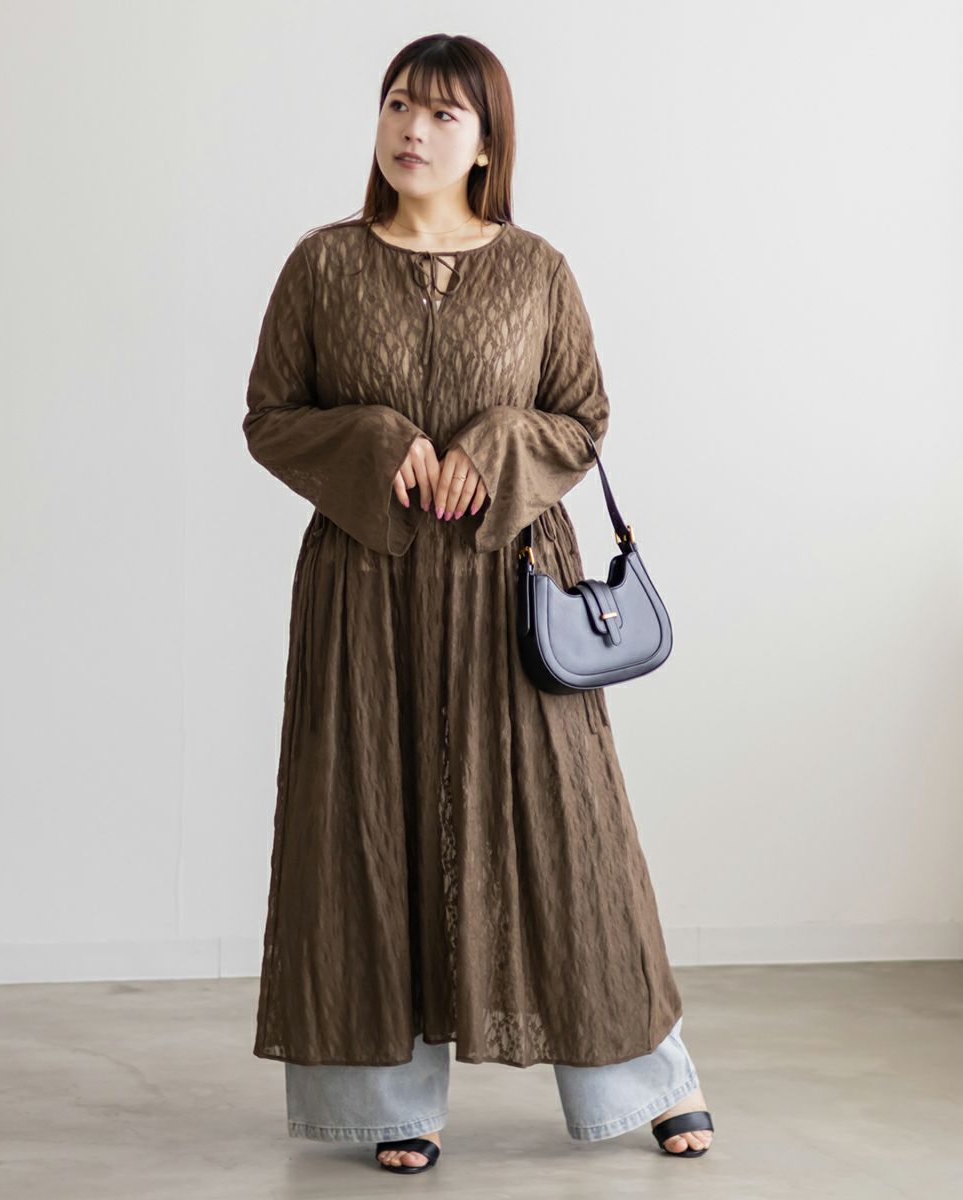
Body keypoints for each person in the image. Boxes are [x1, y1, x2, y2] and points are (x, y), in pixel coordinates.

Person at [242, 33, 715, 1174]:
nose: (413, 129)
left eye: (444, 114)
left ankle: (649, 1078)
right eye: (398, 104)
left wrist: (499, 442)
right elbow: (270, 417)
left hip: (515, 590)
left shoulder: (538, 268)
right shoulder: (321, 265)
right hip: (365, 593)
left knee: (570, 836)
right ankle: (389, 1103)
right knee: (367, 827)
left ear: (488, 142)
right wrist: (375, 441)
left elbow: (582, 416)